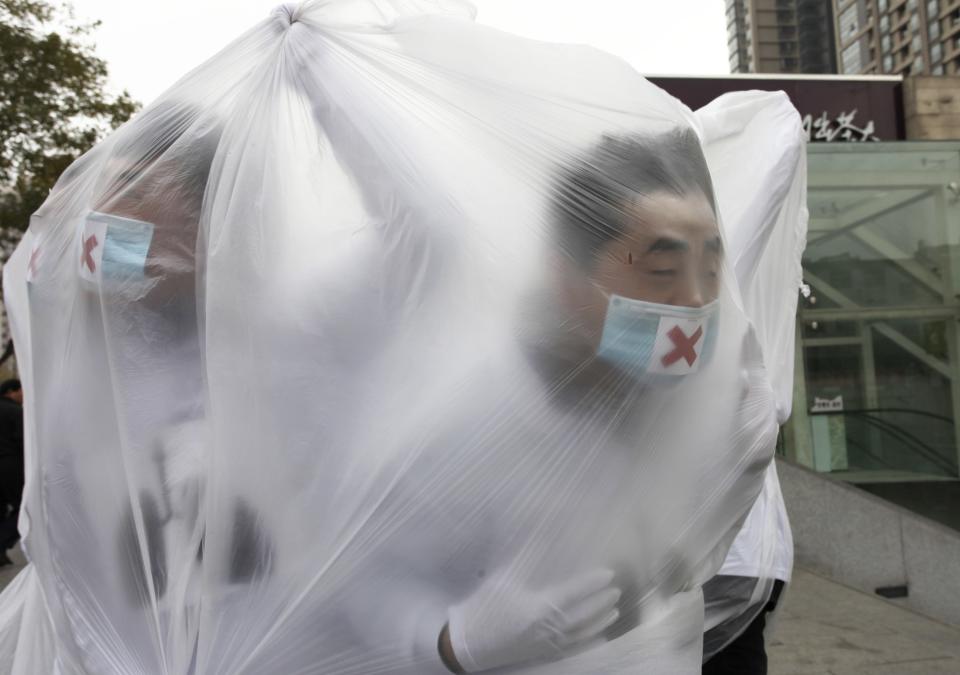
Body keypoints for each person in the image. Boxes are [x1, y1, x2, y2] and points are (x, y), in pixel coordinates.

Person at [331, 128, 774, 674]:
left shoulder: (690, 404)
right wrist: (452, 643)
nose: (695, 303)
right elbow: (353, 583)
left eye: (710, 272)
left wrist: (734, 481)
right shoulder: (468, 416)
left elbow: (673, 566)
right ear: (565, 276)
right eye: (662, 272)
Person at [0, 378, 24, 567]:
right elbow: (23, 442)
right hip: (11, 466)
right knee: (24, 509)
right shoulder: (15, 412)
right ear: (12, 392)